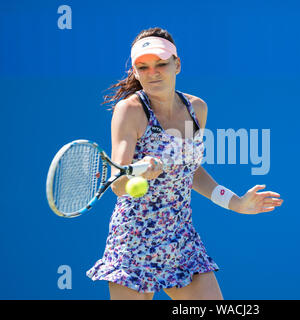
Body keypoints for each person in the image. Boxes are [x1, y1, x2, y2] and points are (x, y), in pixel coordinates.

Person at [86, 27, 283, 300]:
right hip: (133, 241)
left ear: (177, 64)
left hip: (181, 239)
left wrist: (235, 202)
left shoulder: (196, 108)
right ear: (135, 72)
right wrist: (142, 171)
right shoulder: (129, 111)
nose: (153, 73)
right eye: (143, 67)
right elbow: (119, 183)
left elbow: (190, 170)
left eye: (161, 64)